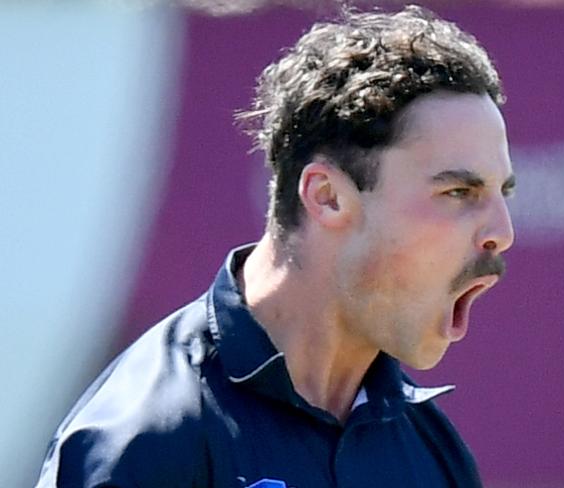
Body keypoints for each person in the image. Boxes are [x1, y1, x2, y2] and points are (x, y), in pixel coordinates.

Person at [36, 5, 515, 487]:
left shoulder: (433, 453)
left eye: (505, 193)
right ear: (327, 198)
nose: (503, 231)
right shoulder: (143, 440)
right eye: (458, 192)